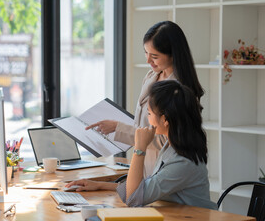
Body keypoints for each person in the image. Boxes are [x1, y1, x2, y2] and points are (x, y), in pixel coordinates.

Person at [65, 80, 217, 210]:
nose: (147, 118)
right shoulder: (172, 146)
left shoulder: (182, 161)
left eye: (149, 113)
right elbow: (143, 189)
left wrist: (140, 147)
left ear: (164, 120)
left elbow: (133, 198)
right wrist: (99, 185)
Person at [86, 20, 204, 177]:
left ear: (173, 54)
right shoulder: (151, 76)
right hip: (144, 162)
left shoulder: (179, 90)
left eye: (154, 56)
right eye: (146, 53)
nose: (148, 60)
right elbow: (143, 124)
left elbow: (168, 140)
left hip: (164, 169)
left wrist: (120, 128)